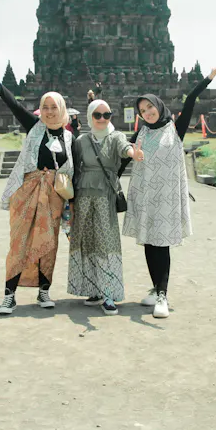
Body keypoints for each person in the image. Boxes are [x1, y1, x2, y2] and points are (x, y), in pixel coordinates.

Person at [121, 55, 216, 319]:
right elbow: (124, 154)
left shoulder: (174, 128)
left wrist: (211, 75)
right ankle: (155, 287)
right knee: (148, 244)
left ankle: (162, 295)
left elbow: (190, 99)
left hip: (167, 200)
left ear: (159, 106)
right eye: (143, 111)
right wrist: (118, 166)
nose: (148, 113)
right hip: (147, 198)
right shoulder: (142, 133)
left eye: (150, 107)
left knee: (162, 246)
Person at [0, 58, 75, 315]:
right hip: (27, 191)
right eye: (46, 107)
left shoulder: (69, 138)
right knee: (18, 242)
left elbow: (74, 169)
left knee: (48, 244)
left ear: (62, 109)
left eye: (54, 107)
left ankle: (44, 291)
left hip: (53, 197)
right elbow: (13, 104)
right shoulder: (34, 127)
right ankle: (9, 294)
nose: (50, 111)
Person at [68, 100, 138, 315]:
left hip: (104, 197)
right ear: (90, 116)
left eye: (106, 115)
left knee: (106, 244)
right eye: (97, 115)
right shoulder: (80, 141)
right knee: (87, 242)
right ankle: (94, 289)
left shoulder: (115, 137)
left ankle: (109, 293)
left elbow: (124, 148)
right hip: (83, 197)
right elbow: (74, 168)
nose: (101, 119)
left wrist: (132, 153)